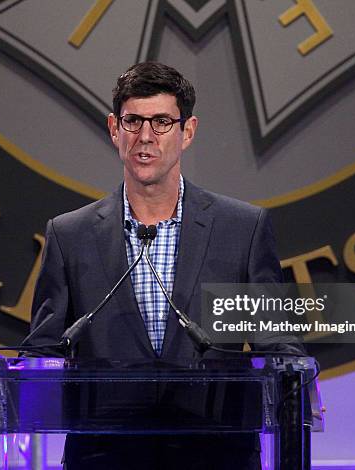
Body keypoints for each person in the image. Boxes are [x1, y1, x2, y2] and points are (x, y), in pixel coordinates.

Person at [25, 62, 300, 469]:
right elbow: (43, 351)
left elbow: (279, 349)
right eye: (133, 120)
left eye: (161, 122)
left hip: (216, 452)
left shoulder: (242, 228)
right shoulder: (70, 235)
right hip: (105, 455)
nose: (145, 137)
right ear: (114, 129)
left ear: (187, 132)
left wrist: (290, 379)